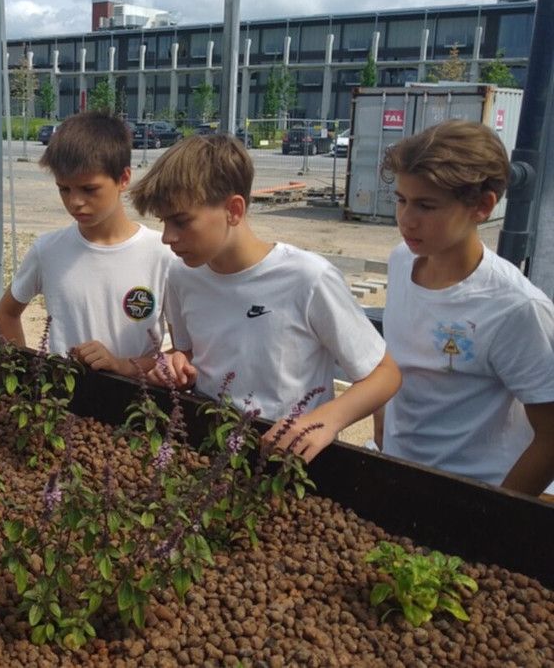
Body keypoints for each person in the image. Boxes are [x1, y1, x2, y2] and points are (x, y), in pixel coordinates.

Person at [129, 134, 400, 461]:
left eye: (181, 221)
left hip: (289, 457)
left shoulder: (309, 278)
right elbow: (189, 352)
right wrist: (175, 364)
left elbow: (384, 374)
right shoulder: (181, 275)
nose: (168, 237)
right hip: (206, 451)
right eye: (163, 222)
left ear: (233, 210)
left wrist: (326, 420)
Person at [376, 119, 554, 495]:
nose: (406, 220)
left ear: (482, 206)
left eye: (426, 205)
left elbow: (551, 436)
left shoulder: (516, 308)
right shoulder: (401, 261)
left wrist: (494, 516)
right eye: (401, 200)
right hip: (397, 476)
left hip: (469, 494)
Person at [0, 112, 174, 376]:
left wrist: (122, 366)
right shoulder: (48, 250)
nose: (75, 201)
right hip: (64, 405)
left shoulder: (163, 255)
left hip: (139, 409)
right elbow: (6, 314)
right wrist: (26, 376)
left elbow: (183, 352)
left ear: (123, 179)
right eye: (64, 189)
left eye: (89, 189)